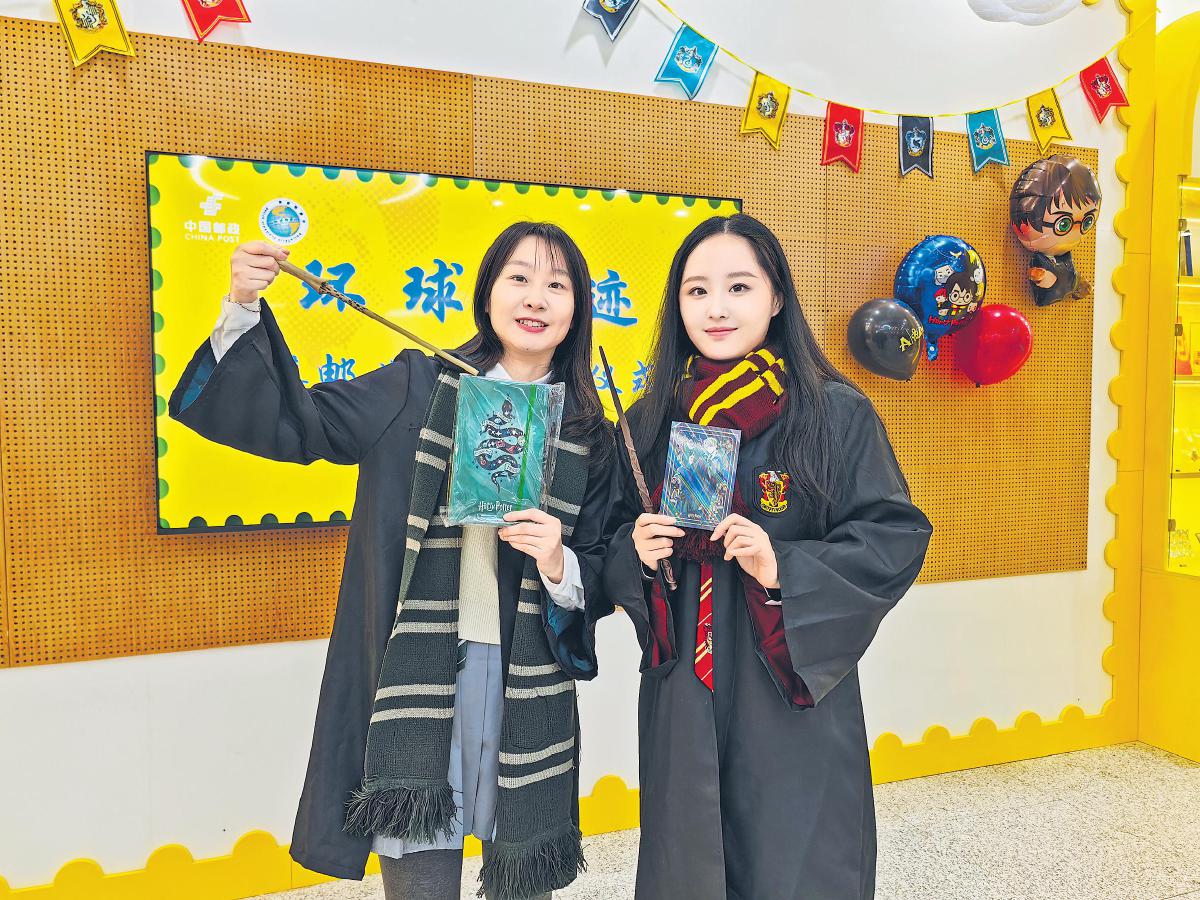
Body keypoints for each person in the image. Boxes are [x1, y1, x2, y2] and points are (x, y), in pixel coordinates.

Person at [169, 222, 615, 900]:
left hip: (526, 676)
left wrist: (559, 561)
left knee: (522, 881)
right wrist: (243, 309)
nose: (535, 297)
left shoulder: (587, 432)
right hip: (416, 671)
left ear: (577, 309)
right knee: (419, 875)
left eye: (557, 285)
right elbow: (300, 422)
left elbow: (605, 567)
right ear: (487, 293)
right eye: (519, 277)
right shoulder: (417, 385)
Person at [602, 213, 933, 899]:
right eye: (697, 290)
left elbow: (893, 535)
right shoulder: (650, 421)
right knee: (688, 862)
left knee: (794, 859)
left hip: (784, 688)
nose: (716, 308)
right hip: (685, 694)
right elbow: (605, 544)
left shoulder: (834, 414)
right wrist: (635, 552)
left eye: (739, 287)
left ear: (777, 297)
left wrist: (784, 566)